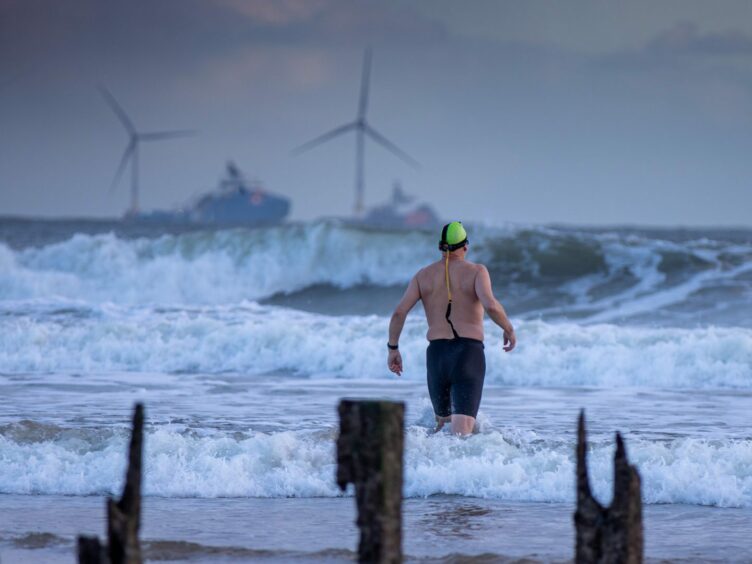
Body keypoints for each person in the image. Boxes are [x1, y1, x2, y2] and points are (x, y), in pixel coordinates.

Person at [387, 221, 516, 435]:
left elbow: (399, 313)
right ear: (465, 246)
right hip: (467, 354)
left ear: (440, 247)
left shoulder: (422, 276)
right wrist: (509, 329)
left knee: (443, 431)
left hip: (436, 357)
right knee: (461, 434)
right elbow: (491, 305)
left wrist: (393, 348)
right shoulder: (477, 271)